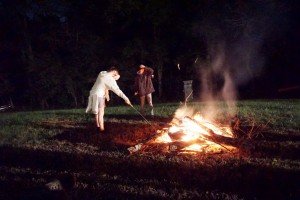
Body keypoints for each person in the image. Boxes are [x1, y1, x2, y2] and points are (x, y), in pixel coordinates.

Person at [86, 67, 131, 132]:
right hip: (99, 95)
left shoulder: (102, 73)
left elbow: (104, 84)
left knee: (97, 112)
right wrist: (126, 99)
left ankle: (98, 126)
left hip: (93, 94)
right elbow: (118, 90)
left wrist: (107, 94)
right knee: (101, 113)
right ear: (115, 72)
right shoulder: (110, 80)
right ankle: (102, 129)